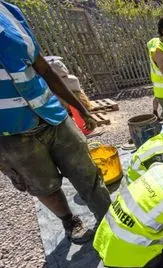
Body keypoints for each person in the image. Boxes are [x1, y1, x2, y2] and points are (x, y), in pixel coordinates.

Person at [0, 1, 111, 244]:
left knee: (86, 171)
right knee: (43, 184)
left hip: (52, 115)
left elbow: (44, 69)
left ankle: (109, 220)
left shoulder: (9, 13)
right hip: (10, 134)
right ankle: (69, 220)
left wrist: (83, 110)